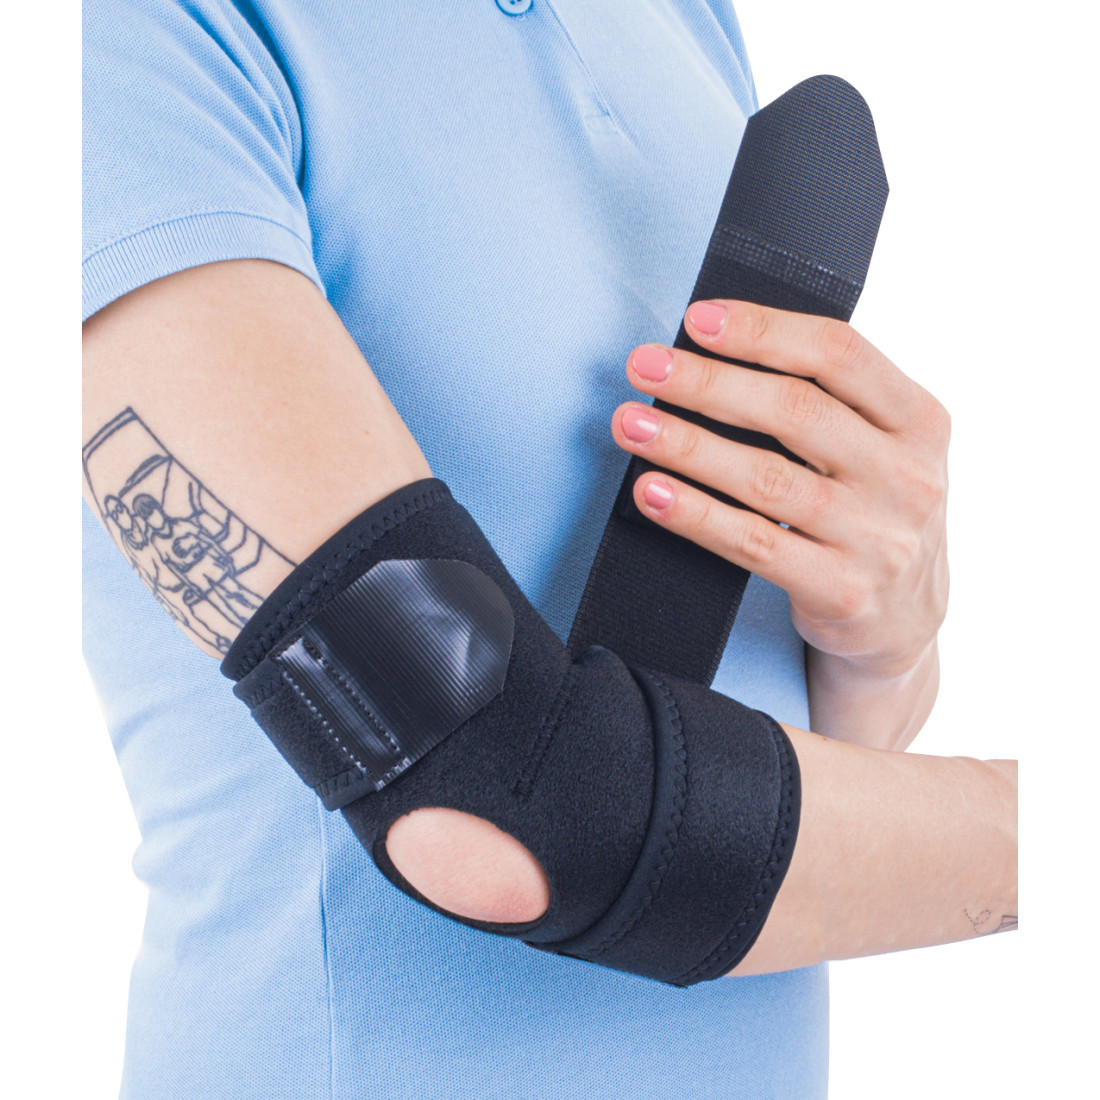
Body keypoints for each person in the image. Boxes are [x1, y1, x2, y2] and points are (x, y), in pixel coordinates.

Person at [82, 1, 1017, 1096]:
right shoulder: (125, 39)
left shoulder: (684, 20)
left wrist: (882, 650)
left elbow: (756, 737)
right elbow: (499, 804)